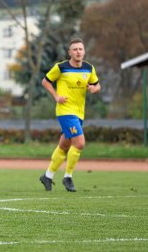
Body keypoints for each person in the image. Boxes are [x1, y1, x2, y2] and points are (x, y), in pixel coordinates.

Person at [39, 38, 101, 192]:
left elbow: (96, 84)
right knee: (79, 143)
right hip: (65, 111)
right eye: (75, 49)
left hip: (79, 113)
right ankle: (68, 177)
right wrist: (56, 97)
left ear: (84, 51)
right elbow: (45, 82)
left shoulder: (89, 68)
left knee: (64, 145)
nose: (78, 52)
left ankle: (47, 176)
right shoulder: (61, 67)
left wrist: (95, 89)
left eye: (80, 49)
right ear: (70, 52)